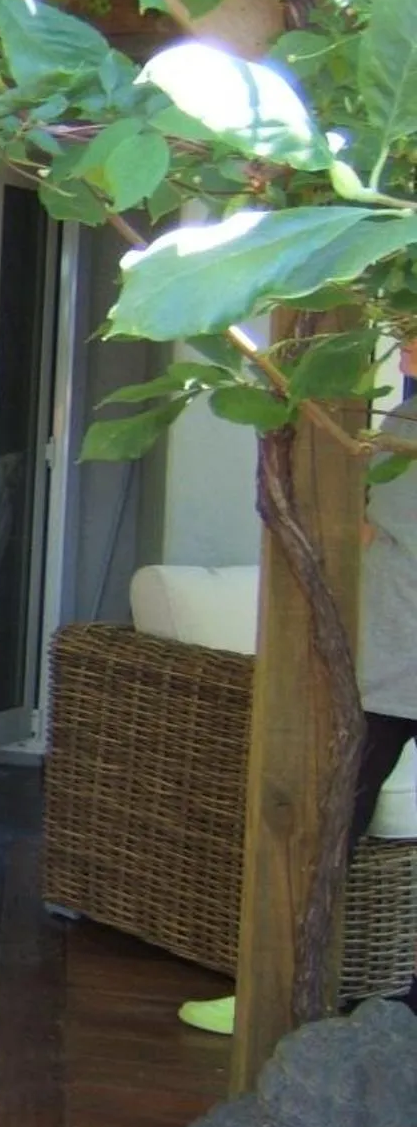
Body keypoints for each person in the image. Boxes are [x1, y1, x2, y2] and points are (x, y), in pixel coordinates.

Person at [181, 395, 417, 1033]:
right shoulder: (400, 421)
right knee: (325, 824)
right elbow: (359, 523)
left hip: (391, 657)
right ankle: (275, 991)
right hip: (385, 663)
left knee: (329, 822)